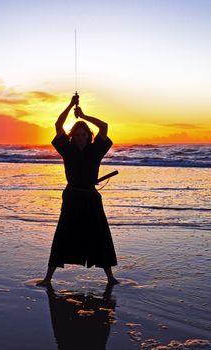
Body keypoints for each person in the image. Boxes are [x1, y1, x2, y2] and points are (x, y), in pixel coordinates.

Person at [37, 94, 119, 286]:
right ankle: (48, 278)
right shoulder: (67, 148)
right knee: (63, 234)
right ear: (72, 136)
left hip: (91, 198)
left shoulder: (96, 149)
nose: (81, 138)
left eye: (84, 134)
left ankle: (110, 277)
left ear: (88, 136)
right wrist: (70, 105)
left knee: (100, 235)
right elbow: (58, 124)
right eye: (77, 134)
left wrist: (84, 115)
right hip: (72, 196)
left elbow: (104, 126)